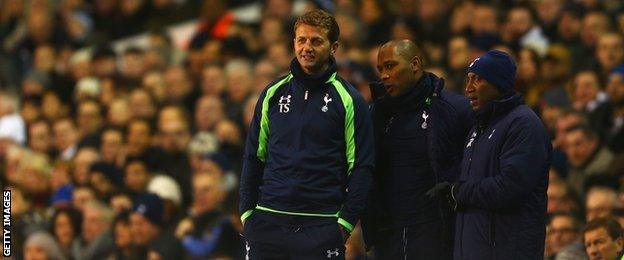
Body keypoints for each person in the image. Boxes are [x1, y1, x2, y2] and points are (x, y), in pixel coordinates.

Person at [239, 9, 374, 259]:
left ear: (334, 47)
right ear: (293, 43)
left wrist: (344, 224)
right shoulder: (272, 94)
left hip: (320, 226)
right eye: (301, 40)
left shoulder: (349, 100)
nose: (307, 47)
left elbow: (362, 168)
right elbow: (253, 156)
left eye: (316, 41)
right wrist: (247, 212)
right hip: (267, 222)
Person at [430, 50, 552, 259]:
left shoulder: (523, 124)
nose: (468, 89)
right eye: (468, 80)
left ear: (499, 83)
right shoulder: (478, 128)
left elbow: (510, 187)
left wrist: (458, 192)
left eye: (477, 80)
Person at [363, 39, 472, 259]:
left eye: (391, 66)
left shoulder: (455, 109)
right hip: (388, 232)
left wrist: (453, 187)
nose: (384, 75)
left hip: (436, 229)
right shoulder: (375, 115)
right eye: (380, 69)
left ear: (414, 64)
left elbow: (473, 161)